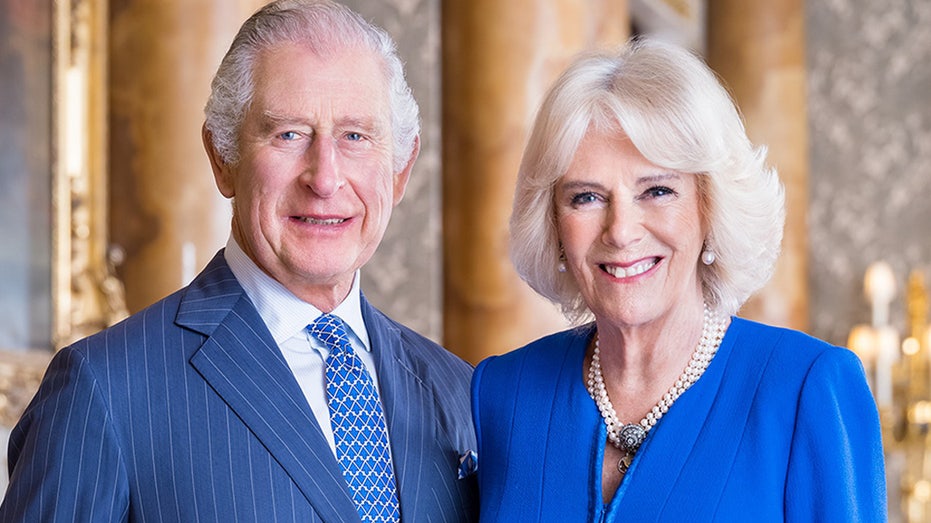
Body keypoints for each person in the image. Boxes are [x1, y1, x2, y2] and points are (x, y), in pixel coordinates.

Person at [1, 1, 478, 521]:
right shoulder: (104, 388)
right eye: (288, 134)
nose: (324, 178)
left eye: (355, 136)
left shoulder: (456, 389)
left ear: (400, 171)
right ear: (222, 159)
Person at [471, 38, 886, 521]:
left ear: (710, 208)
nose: (621, 231)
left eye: (658, 190)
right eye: (586, 197)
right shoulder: (503, 393)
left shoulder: (803, 390)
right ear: (555, 226)